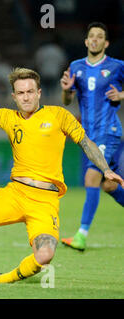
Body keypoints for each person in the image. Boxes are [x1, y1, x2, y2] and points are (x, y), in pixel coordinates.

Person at [0, 42, 123, 284]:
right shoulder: (9, 118)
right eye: (21, 93)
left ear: (39, 93)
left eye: (30, 92)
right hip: (15, 194)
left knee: (45, 255)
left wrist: (106, 169)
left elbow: (86, 143)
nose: (26, 97)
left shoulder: (59, 115)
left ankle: (2, 279)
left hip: (45, 203)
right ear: (14, 96)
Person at [60, 22, 124, 251]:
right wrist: (67, 90)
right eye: (91, 36)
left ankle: (81, 236)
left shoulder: (117, 66)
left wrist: (122, 94)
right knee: (109, 186)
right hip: (88, 138)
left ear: (106, 43)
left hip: (109, 131)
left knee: (91, 178)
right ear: (86, 41)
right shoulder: (76, 67)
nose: (95, 39)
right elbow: (67, 101)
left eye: (100, 37)